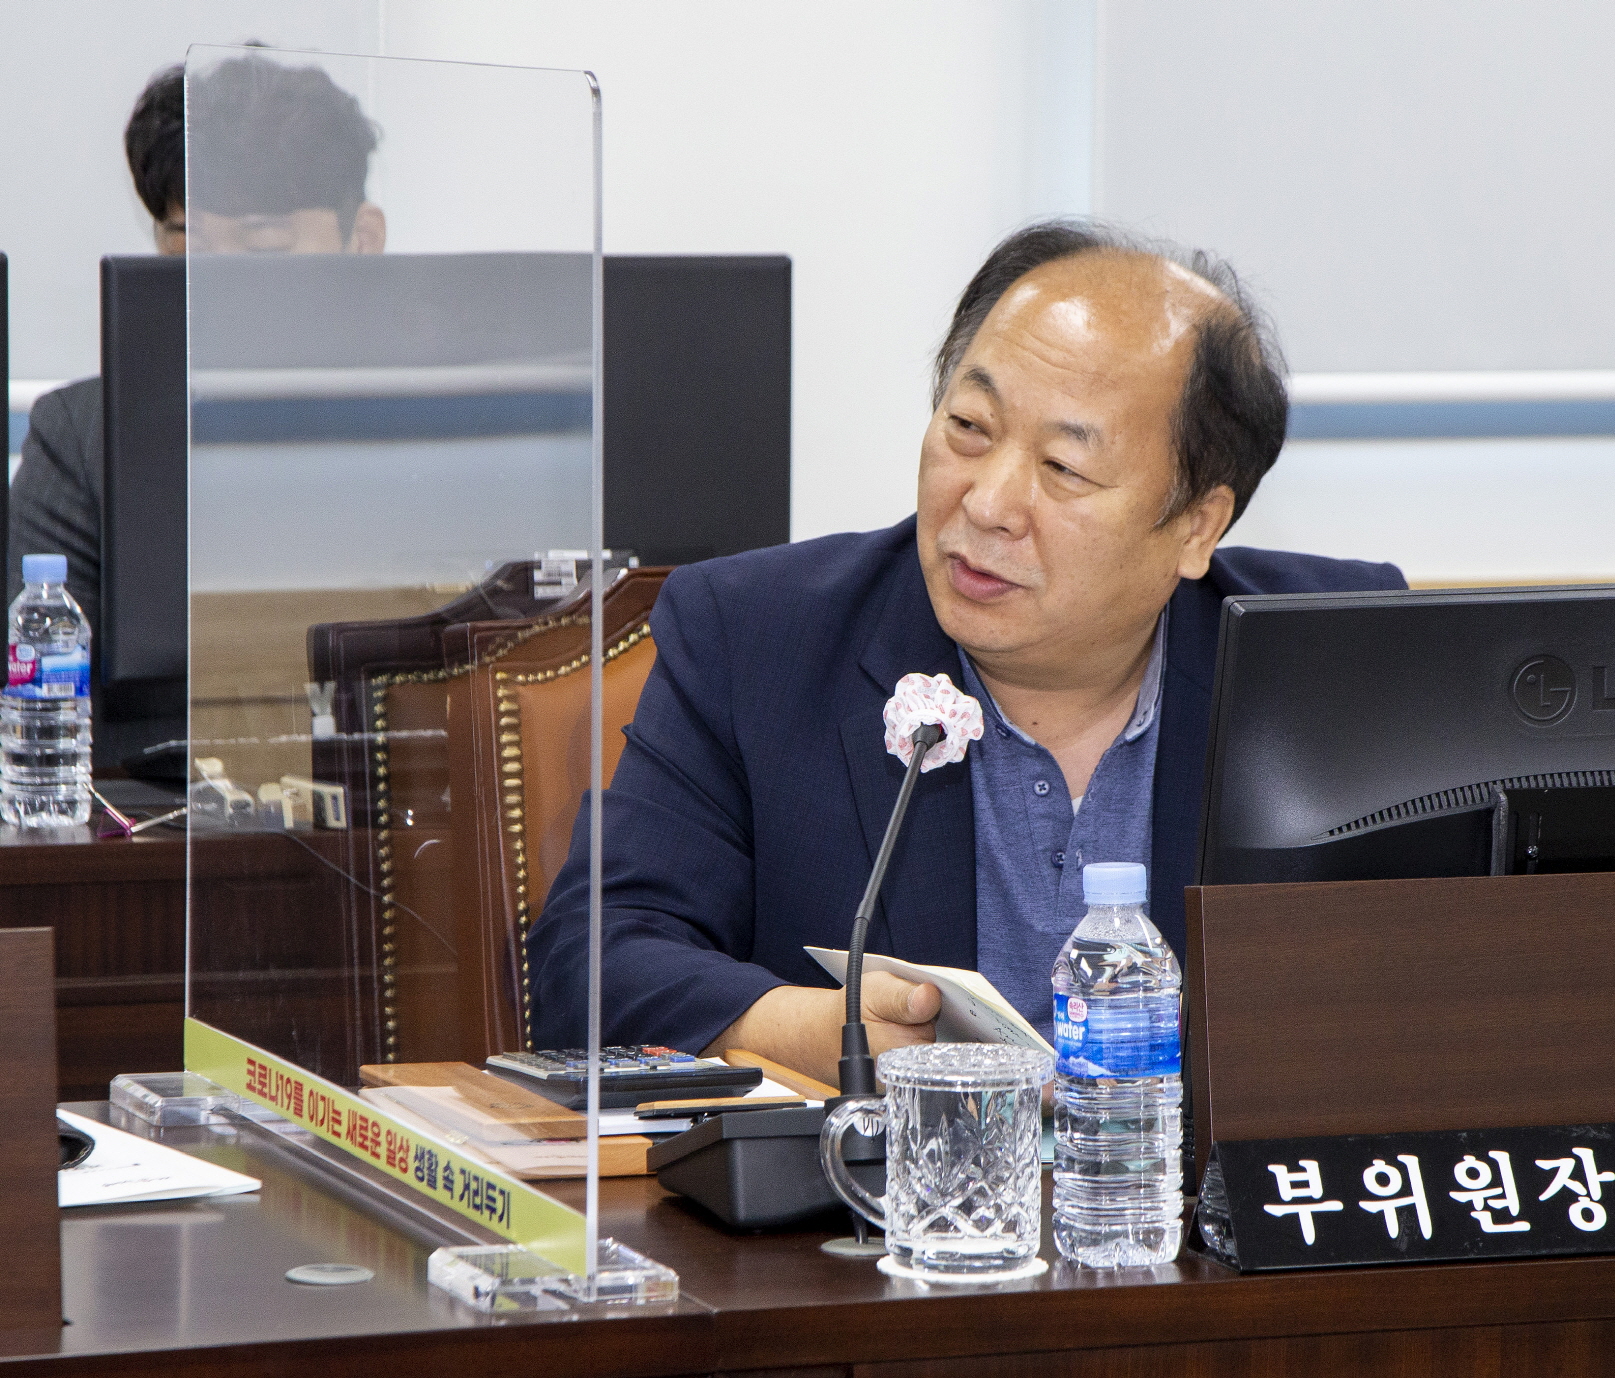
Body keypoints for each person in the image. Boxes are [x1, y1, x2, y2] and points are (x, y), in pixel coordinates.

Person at [531, 221, 1406, 1086]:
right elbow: (592, 960)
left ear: (1196, 526)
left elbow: (1440, 975)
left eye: (1064, 468)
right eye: (969, 427)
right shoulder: (755, 638)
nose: (987, 504)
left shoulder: (1334, 661)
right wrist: (813, 1032)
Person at [5, 52, 383, 741]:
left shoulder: (430, 425)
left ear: (363, 239)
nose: (221, 280)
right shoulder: (85, 440)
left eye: (265, 243)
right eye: (190, 241)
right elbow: (48, 715)